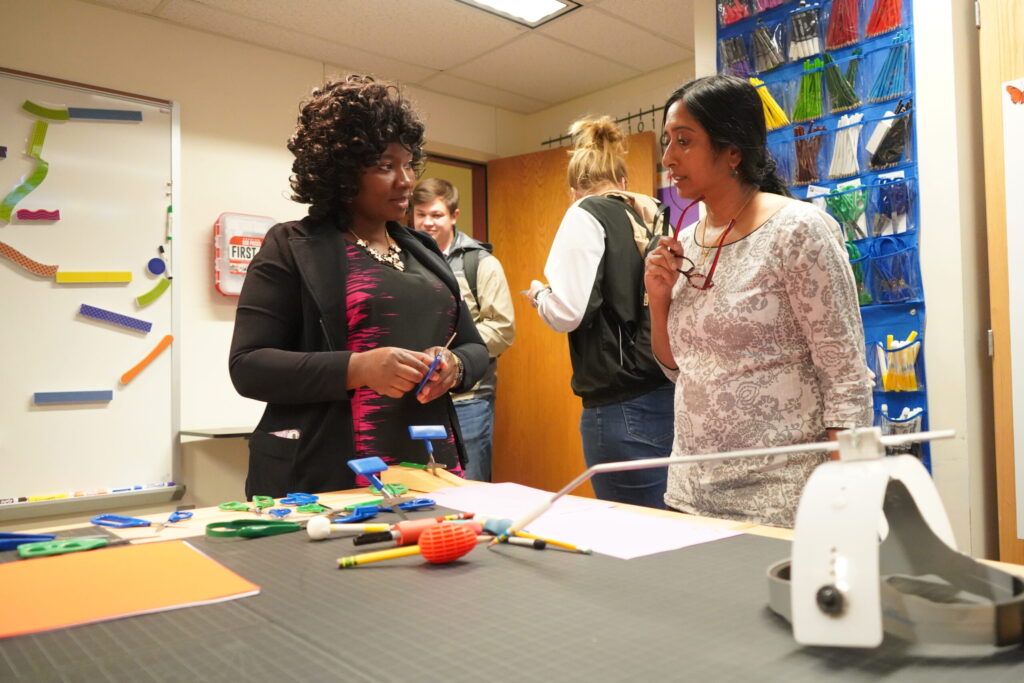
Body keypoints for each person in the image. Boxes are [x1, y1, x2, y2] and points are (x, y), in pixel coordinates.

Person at [229, 75, 488, 499]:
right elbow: (248, 366)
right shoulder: (292, 246)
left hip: (429, 466)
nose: (405, 180)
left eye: (408, 164)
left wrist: (453, 367)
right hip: (332, 476)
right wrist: (359, 368)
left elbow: (475, 348)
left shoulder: (423, 249)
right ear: (342, 173)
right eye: (385, 166)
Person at [644, 74, 874, 527]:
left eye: (684, 141)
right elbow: (678, 368)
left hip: (783, 497)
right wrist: (658, 299)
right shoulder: (685, 242)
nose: (668, 158)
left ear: (733, 152)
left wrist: (842, 496)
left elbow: (845, 374)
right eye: (667, 142)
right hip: (692, 491)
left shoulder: (798, 230)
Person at [525, 116, 674, 508]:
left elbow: (569, 312)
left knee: (633, 536)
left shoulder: (584, 213)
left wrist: (540, 296)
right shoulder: (651, 217)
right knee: (669, 531)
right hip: (666, 394)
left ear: (573, 190)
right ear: (623, 183)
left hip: (620, 407)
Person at [411, 178, 515, 482]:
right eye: (421, 214)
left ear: (454, 215)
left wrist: (452, 358)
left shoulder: (481, 263)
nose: (427, 223)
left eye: (437, 215)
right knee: (421, 490)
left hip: (467, 400)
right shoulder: (404, 259)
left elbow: (503, 328)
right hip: (416, 399)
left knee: (469, 489)